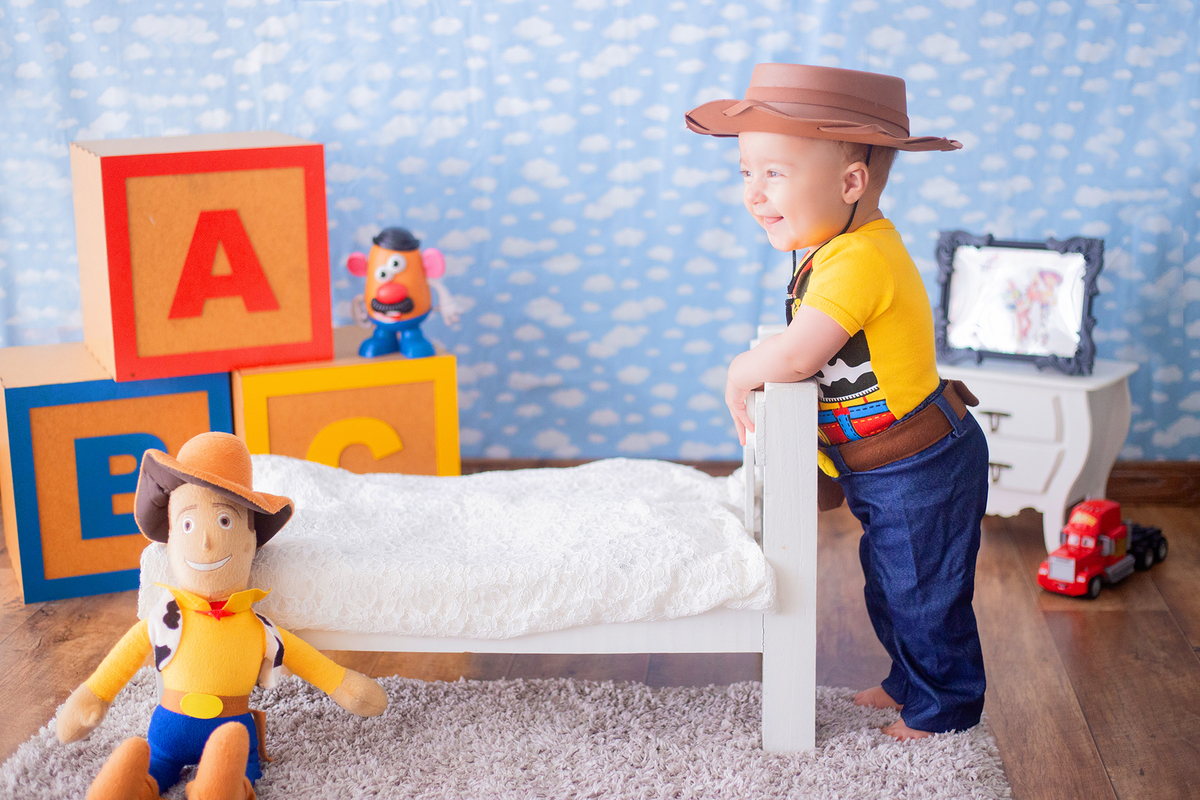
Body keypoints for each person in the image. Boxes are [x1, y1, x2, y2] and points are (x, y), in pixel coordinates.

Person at [686, 63, 989, 740]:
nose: (753, 194)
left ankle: (946, 708)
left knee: (923, 591)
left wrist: (740, 372)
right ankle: (911, 679)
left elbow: (798, 355)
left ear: (851, 183)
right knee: (890, 583)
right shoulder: (833, 249)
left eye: (774, 174)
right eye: (745, 173)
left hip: (921, 462)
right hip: (884, 466)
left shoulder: (859, 259)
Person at [56, 432, 388, 799]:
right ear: (171, 537)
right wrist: (93, 696)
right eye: (188, 524)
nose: (206, 542)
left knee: (231, 747)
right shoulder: (165, 616)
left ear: (250, 541)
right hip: (168, 735)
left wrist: (345, 686)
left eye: (225, 521)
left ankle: (221, 784)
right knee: (147, 763)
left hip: (231, 730)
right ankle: (133, 783)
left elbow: (310, 663)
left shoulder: (258, 629)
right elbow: (121, 661)